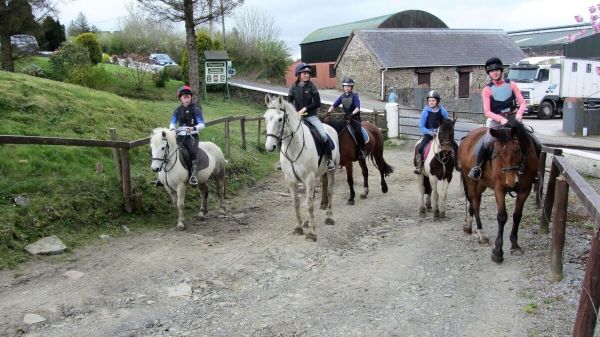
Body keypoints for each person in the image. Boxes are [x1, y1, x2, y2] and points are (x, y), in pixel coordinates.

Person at [468, 57, 541, 180]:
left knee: (536, 143)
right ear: (489, 74)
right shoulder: (487, 90)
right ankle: (477, 167)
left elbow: (522, 103)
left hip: (513, 119)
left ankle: (534, 171)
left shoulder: (511, 85)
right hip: (496, 121)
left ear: (501, 71)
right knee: (486, 142)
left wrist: (519, 115)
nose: (494, 73)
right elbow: (487, 111)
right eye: (491, 71)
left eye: (497, 70)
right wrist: (501, 119)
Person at [288, 62, 335, 171]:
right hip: (297, 117)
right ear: (299, 74)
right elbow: (289, 103)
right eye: (305, 73)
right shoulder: (293, 88)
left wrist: (305, 109)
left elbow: (317, 103)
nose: (307, 75)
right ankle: (283, 161)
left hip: (311, 116)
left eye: (308, 73)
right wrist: (295, 112)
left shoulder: (312, 86)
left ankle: (329, 160)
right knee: (286, 134)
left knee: (323, 136)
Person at [169, 85, 206, 185]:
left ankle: (193, 175)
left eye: (188, 97)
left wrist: (193, 128)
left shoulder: (196, 109)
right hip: (180, 136)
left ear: (191, 97)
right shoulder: (177, 110)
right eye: (184, 97)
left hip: (192, 136)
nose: (187, 99)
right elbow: (172, 123)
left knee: (192, 151)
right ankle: (165, 176)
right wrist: (172, 129)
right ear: (180, 98)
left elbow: (202, 124)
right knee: (169, 149)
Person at [414, 90, 456, 174]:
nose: (431, 102)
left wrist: (443, 130)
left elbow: (446, 123)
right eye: (429, 100)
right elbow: (421, 126)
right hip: (429, 134)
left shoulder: (443, 111)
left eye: (433, 100)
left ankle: (457, 163)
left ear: (437, 101)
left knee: (455, 145)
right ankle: (420, 165)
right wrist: (429, 132)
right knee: (421, 147)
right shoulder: (425, 112)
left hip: (441, 134)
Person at [327, 77, 365, 160]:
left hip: (354, 118)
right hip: (345, 119)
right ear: (343, 87)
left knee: (358, 132)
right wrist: (328, 112)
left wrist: (352, 114)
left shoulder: (354, 96)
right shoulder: (342, 96)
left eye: (348, 86)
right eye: (345, 86)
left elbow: (358, 107)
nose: (346, 88)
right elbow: (334, 105)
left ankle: (362, 150)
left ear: (351, 87)